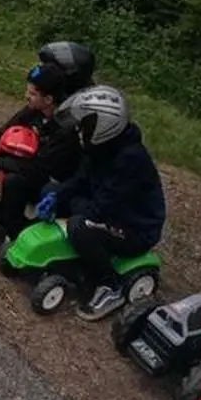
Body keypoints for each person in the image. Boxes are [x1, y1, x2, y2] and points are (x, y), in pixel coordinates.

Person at [35, 85, 167, 321]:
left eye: (84, 125)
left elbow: (102, 209)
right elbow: (82, 179)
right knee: (52, 190)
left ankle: (110, 285)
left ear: (103, 126)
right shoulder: (100, 148)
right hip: (108, 209)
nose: (78, 130)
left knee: (80, 226)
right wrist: (58, 195)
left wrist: (72, 204)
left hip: (134, 228)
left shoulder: (130, 159)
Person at [0, 62, 80, 242]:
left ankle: (14, 234)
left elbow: (39, 168)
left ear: (49, 99)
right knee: (1, 152)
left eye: (32, 94)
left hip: (51, 179)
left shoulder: (64, 129)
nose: (27, 96)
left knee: (14, 181)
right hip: (32, 163)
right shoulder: (34, 110)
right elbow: (7, 130)